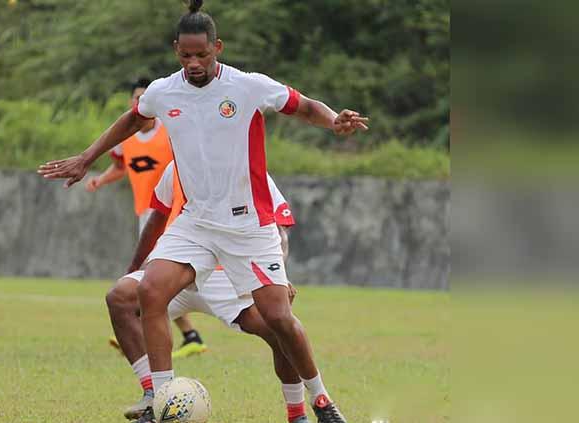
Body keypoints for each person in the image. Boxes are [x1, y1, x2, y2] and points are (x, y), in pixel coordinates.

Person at [38, 1, 368, 421]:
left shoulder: (247, 86)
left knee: (280, 320)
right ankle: (161, 402)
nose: (193, 63)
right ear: (176, 49)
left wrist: (332, 120)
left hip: (248, 226)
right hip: (196, 223)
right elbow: (131, 120)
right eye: (185, 55)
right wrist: (88, 156)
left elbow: (301, 105)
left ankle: (321, 402)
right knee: (149, 291)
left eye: (202, 55)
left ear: (218, 48)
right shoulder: (162, 91)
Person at [108, 162, 308, 422]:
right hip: (176, 270)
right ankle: (155, 397)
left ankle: (297, 414)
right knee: (120, 298)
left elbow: (279, 228)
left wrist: (277, 276)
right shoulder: (177, 165)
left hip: (226, 275)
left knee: (278, 330)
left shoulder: (242, 164)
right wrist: (135, 268)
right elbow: (158, 217)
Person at [87, 78, 208, 359]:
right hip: (148, 214)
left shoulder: (170, 132)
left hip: (176, 214)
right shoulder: (125, 141)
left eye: (145, 97)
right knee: (153, 276)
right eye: (136, 98)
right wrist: (100, 181)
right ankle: (188, 334)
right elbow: (120, 167)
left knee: (156, 276)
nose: (141, 102)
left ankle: (143, 322)